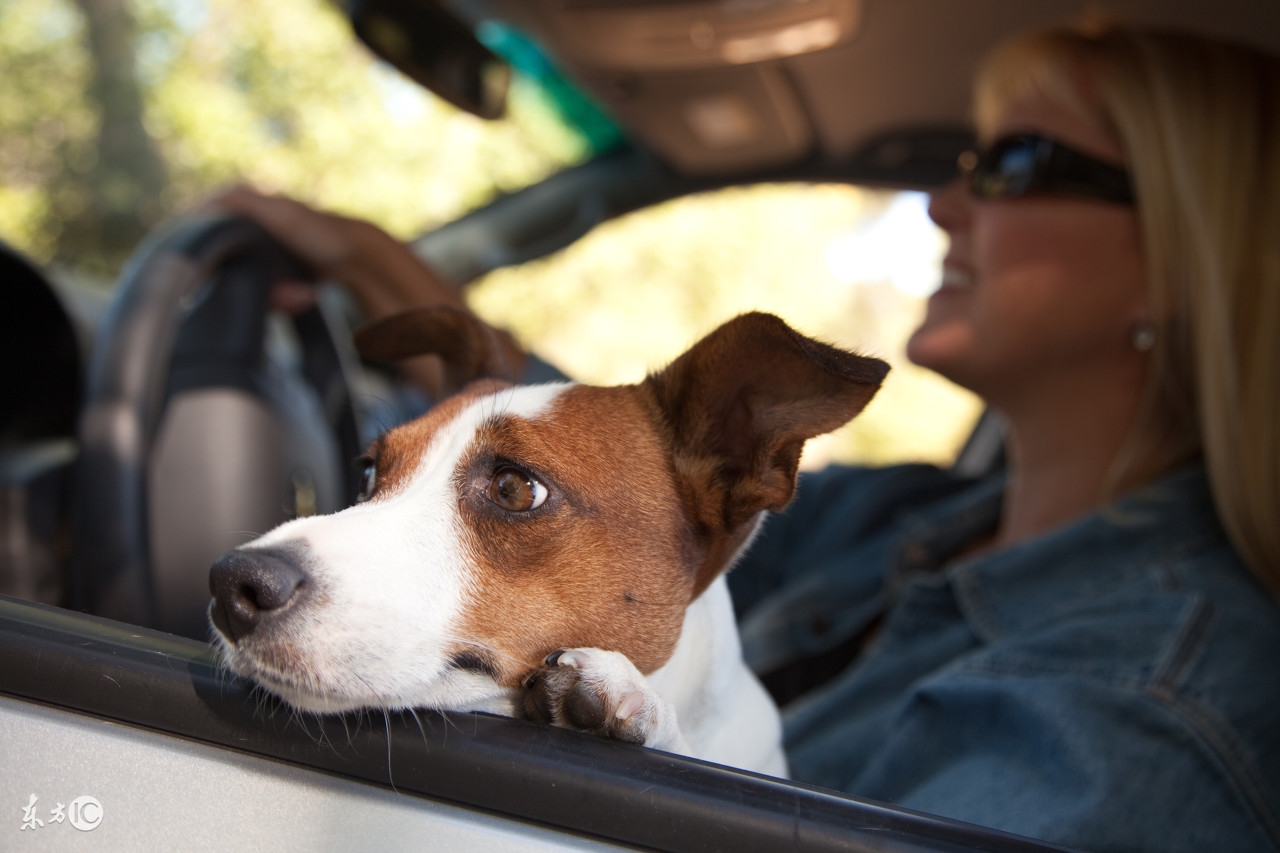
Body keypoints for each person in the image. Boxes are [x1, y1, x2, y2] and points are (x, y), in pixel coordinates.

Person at [214, 23, 1280, 853]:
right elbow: (576, 442)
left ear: (1186, 251)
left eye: (1013, 165)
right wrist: (361, 253)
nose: (944, 204)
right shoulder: (905, 519)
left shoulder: (1153, 705)